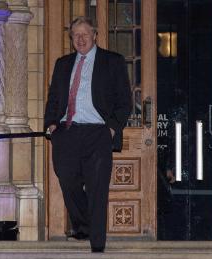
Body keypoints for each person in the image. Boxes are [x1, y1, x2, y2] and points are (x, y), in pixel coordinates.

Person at [44, 17, 131, 253]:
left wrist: (111, 129)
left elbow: (125, 102)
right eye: (75, 35)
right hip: (67, 132)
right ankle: (83, 225)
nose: (80, 39)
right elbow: (53, 99)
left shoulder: (112, 61)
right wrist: (51, 124)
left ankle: (97, 245)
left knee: (97, 188)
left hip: (98, 133)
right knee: (67, 180)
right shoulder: (63, 64)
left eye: (85, 34)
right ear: (71, 38)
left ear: (95, 35)